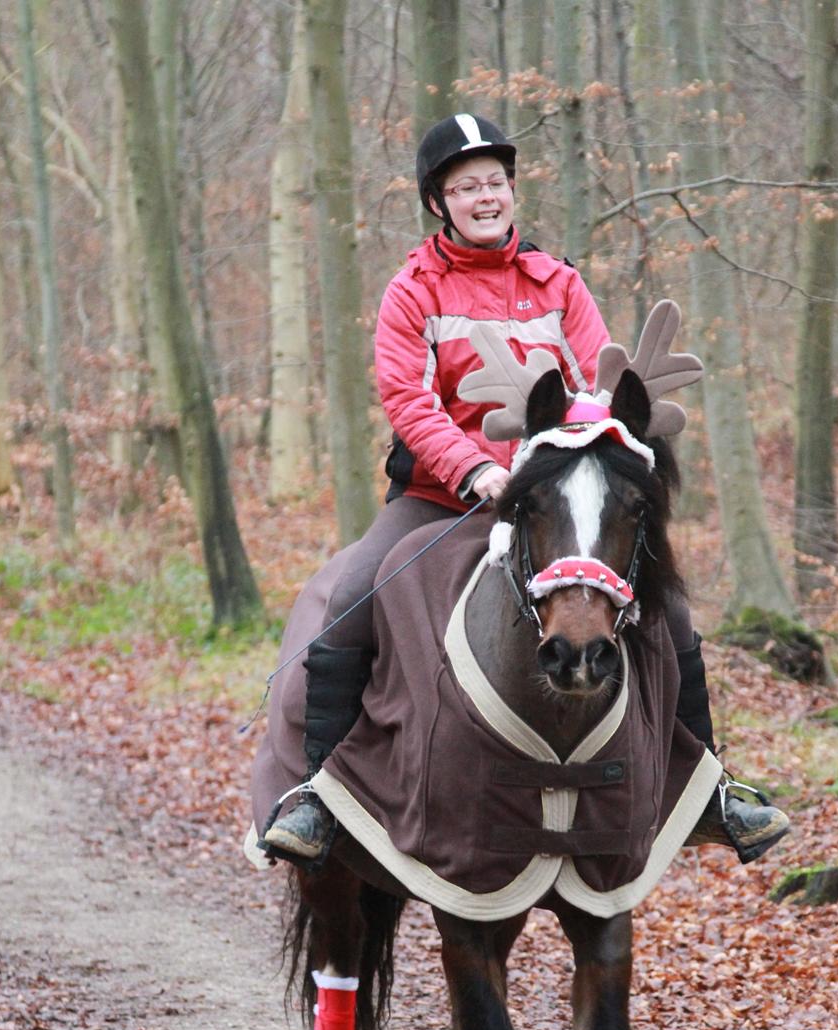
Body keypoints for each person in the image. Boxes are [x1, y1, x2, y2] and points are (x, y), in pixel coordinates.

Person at [260, 113, 788, 867]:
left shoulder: (557, 281)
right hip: (442, 502)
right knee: (351, 596)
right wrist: (475, 469)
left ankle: (707, 788)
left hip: (552, 502)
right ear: (438, 203)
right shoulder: (412, 292)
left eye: (496, 183)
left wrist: (565, 466)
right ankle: (318, 794)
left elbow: (594, 392)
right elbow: (408, 402)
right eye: (467, 186)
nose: (486, 197)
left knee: (666, 608)